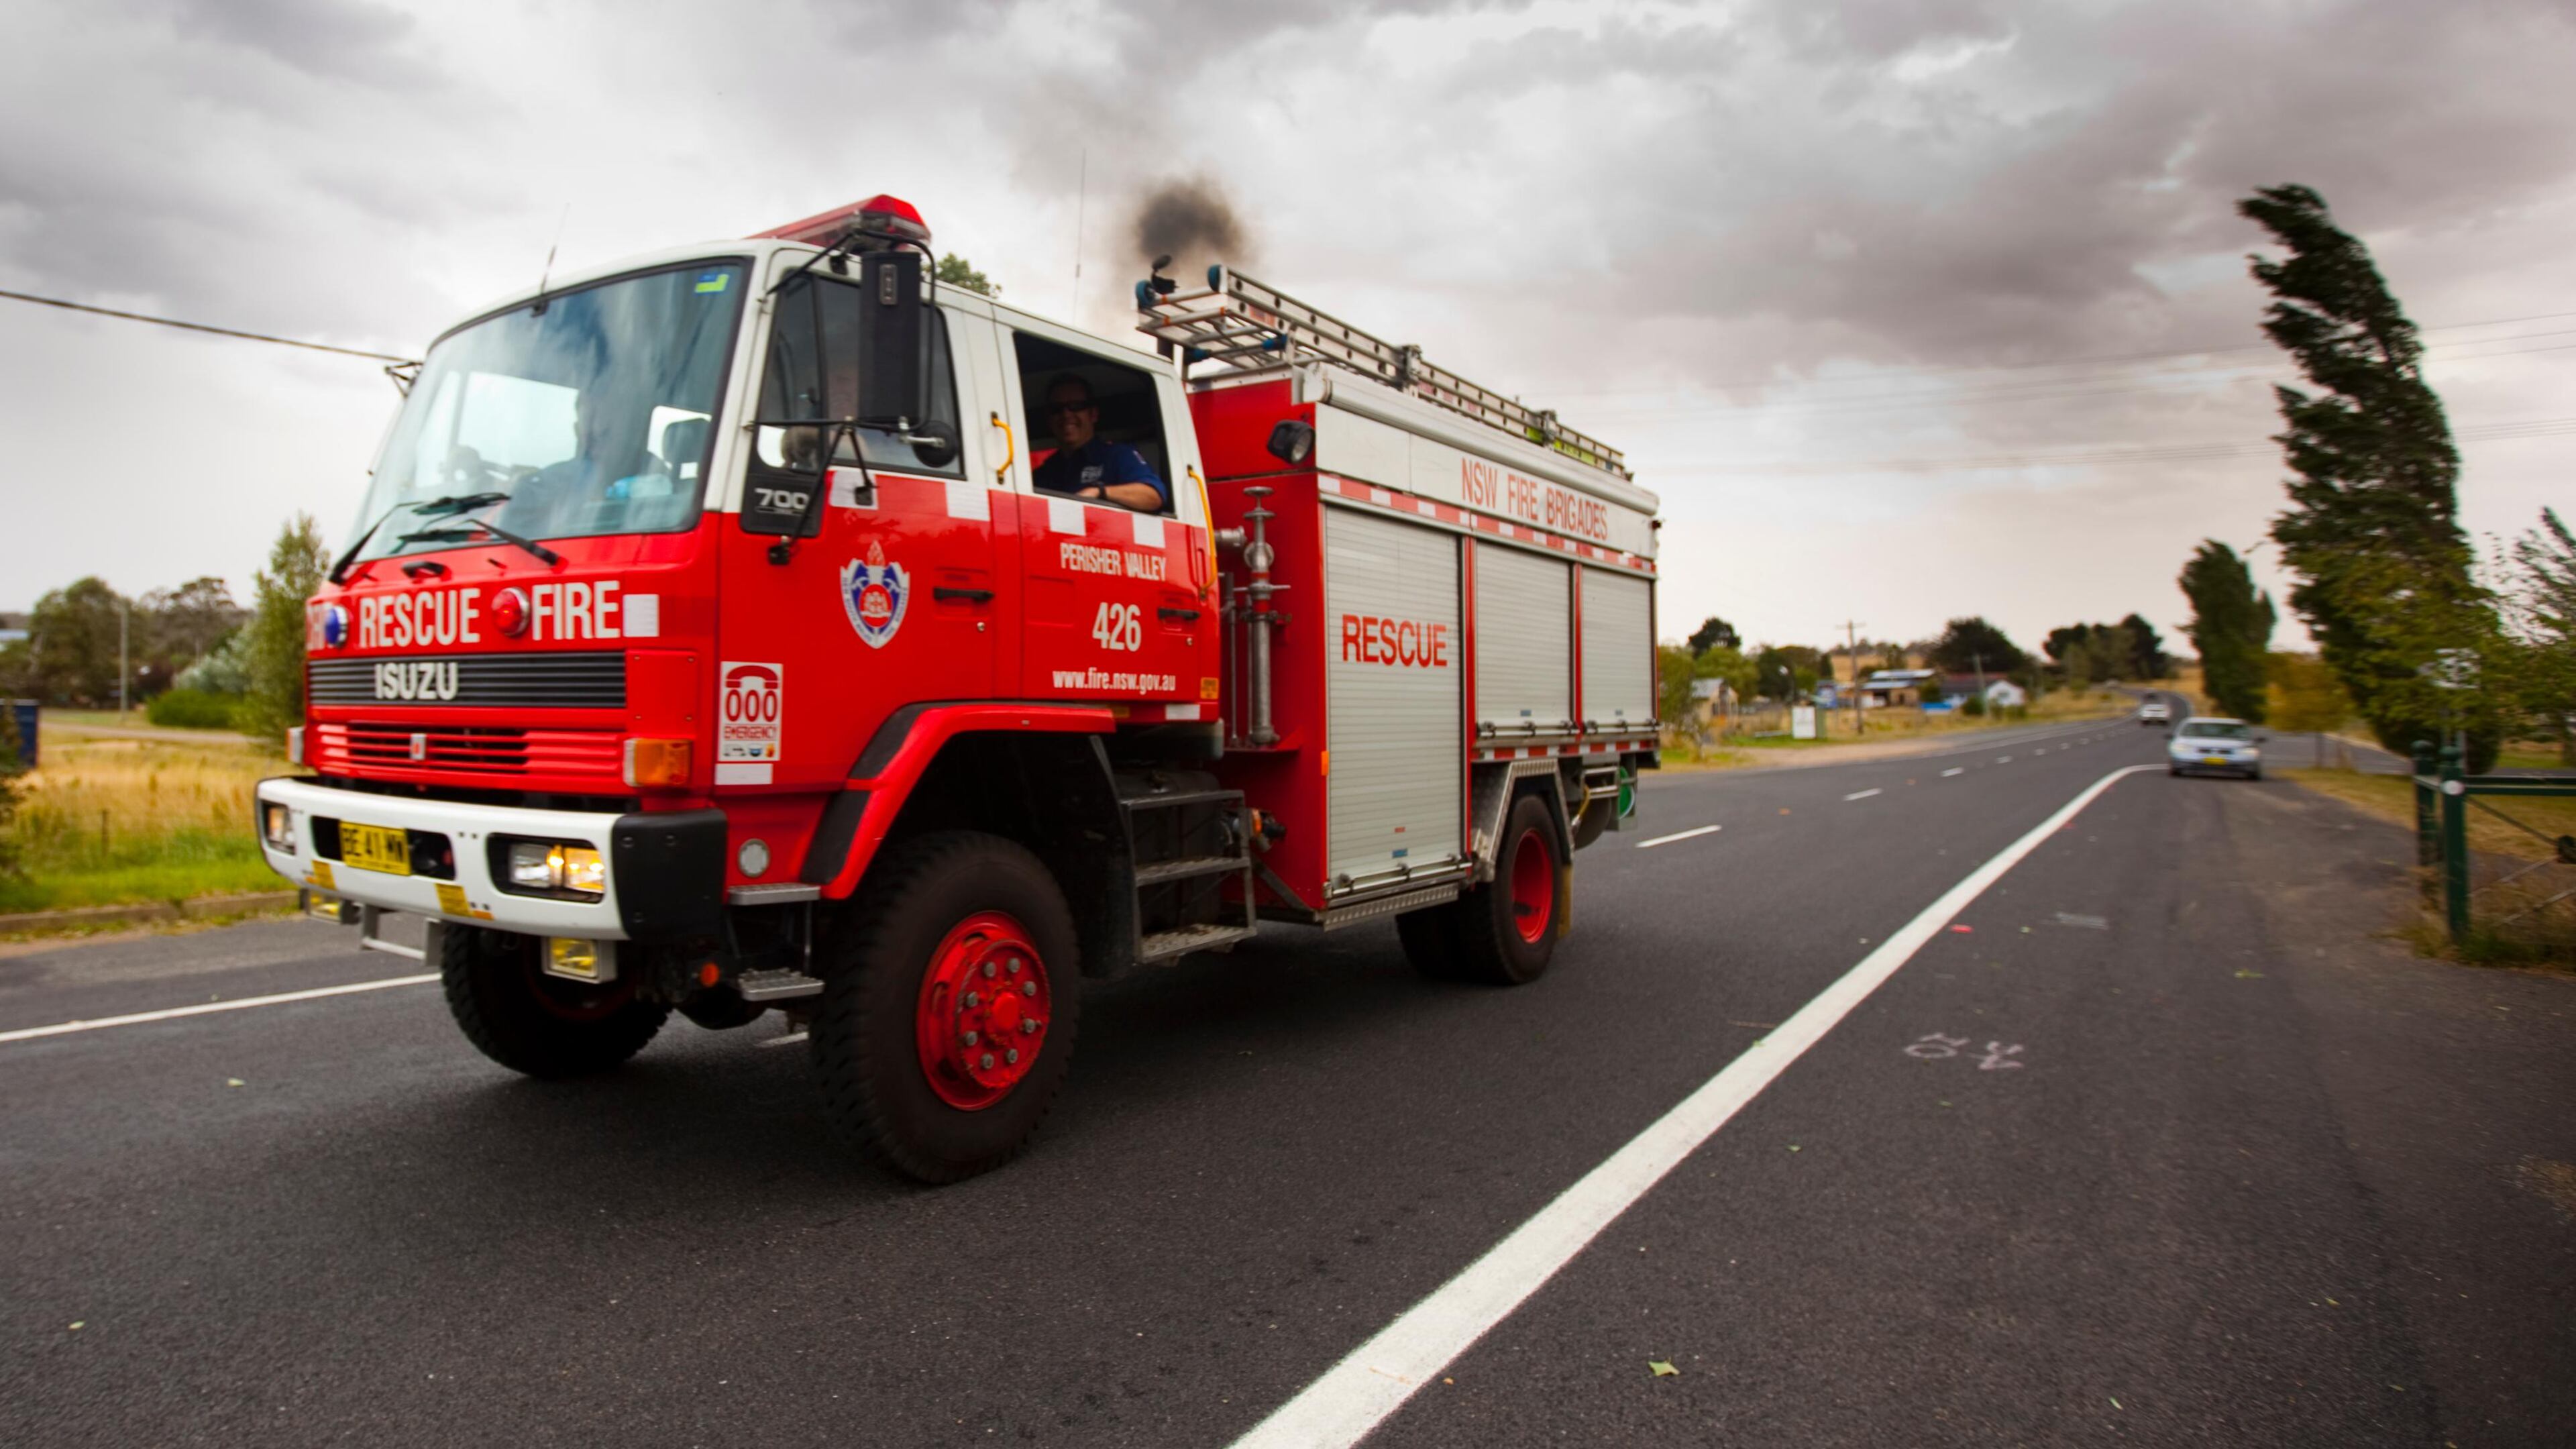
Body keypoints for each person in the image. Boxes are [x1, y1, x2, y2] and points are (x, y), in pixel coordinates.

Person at [1032, 374, 1168, 511]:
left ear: (1093, 414)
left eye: (1076, 406)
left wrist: (1099, 492)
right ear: (1049, 420)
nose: (1066, 415)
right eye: (1057, 409)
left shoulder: (1117, 456)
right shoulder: (1044, 474)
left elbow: (1154, 496)